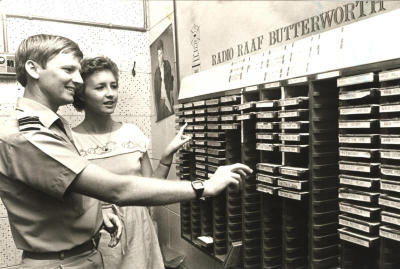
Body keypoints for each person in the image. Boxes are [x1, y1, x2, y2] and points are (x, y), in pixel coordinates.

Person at [0, 34, 252, 269]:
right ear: (33, 69)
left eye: (78, 71)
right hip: (62, 262)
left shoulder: (54, 126)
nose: (77, 80)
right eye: (68, 69)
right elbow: (116, 190)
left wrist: (98, 214)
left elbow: (67, 193)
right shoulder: (27, 135)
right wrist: (203, 186)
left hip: (83, 253)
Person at [71, 56, 187, 268]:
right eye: (100, 87)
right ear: (82, 94)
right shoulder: (71, 141)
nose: (110, 94)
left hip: (139, 228)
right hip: (100, 232)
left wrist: (166, 156)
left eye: (113, 86)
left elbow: (151, 191)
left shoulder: (132, 134)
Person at [154, 39, 174, 122]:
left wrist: (161, 67)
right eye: (158, 55)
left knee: (171, 115)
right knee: (161, 118)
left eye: (161, 53)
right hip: (161, 99)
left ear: (163, 53)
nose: (160, 56)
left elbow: (169, 78)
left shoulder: (167, 64)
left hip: (167, 96)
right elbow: (156, 90)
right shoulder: (157, 71)